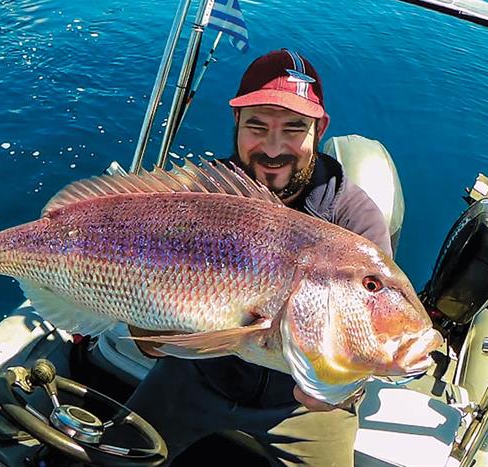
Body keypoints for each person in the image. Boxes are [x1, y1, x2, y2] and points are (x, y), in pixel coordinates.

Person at [126, 49, 393, 466]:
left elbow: (367, 335)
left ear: (319, 129)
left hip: (298, 406)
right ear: (235, 123)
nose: (273, 149)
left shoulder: (354, 221)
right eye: (256, 126)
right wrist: (146, 324)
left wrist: (341, 388)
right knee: (118, 454)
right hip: (199, 373)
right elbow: (146, 322)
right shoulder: (197, 196)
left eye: (293, 129)